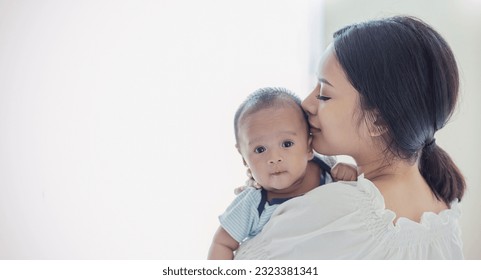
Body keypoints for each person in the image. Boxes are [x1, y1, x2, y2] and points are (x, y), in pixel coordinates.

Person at [233, 16, 466, 259]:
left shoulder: (341, 210)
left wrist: (262, 207)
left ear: (379, 121)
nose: (307, 103)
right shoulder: (444, 211)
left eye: (324, 94)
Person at [207, 87, 357, 260]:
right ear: (243, 158)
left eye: (286, 144)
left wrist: (349, 173)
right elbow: (222, 243)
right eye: (260, 149)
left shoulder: (326, 167)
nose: (274, 158)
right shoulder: (252, 204)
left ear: (308, 147)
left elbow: (354, 196)